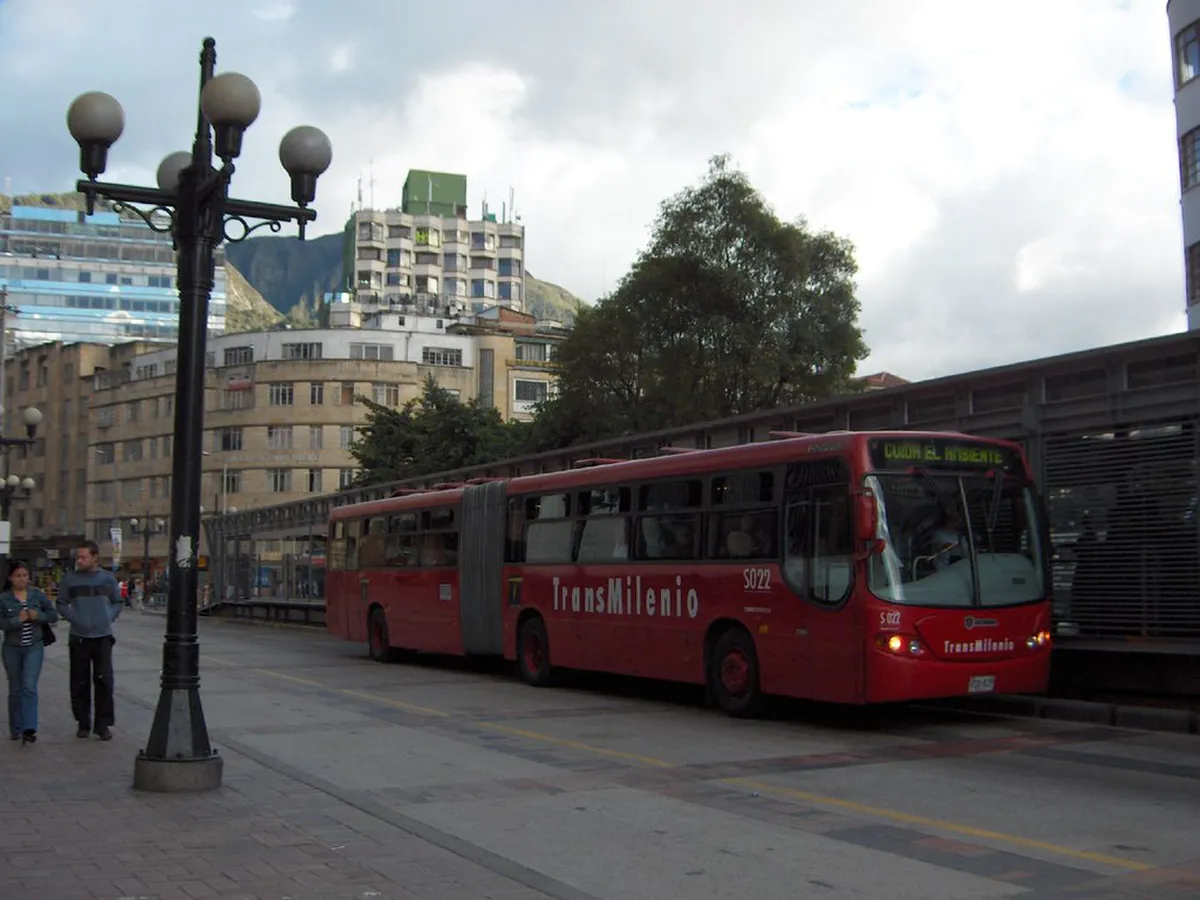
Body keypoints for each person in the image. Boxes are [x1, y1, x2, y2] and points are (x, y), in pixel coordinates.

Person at [56, 541, 122, 741]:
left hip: (102, 637)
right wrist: (74, 618)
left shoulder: (107, 579)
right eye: (78, 557)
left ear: (95, 557)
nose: (79, 560)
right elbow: (61, 603)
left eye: (83, 557)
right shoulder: (70, 579)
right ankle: (82, 723)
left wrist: (108, 616)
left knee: (103, 681)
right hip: (79, 637)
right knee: (79, 681)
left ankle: (102, 725)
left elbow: (117, 602)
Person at [0, 561, 58, 744]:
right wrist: (18, 620)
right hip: (12, 648)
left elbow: (53, 615)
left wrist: (37, 616)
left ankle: (29, 728)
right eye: (18, 576)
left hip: (34, 646)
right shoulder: (3, 599)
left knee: (29, 686)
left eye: (25, 575)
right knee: (16, 689)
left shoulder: (37, 595)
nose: (22, 579)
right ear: (10, 578)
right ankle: (16, 727)